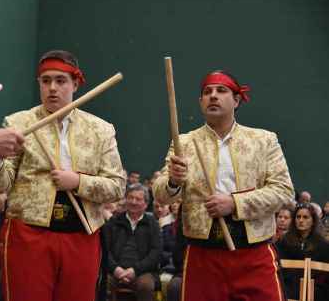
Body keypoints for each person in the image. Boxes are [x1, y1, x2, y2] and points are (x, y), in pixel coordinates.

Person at [0, 50, 125, 301]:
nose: (52, 88)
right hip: (28, 234)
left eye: (60, 81)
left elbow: (116, 187)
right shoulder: (18, 123)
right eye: (45, 81)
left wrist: (78, 181)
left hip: (82, 236)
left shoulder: (101, 129)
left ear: (76, 84)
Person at [153, 70, 295, 301]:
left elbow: (283, 191)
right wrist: (173, 181)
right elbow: (161, 195)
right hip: (202, 255)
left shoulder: (264, 140)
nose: (213, 96)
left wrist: (235, 203)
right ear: (201, 102)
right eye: (207, 92)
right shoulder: (184, 142)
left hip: (254, 253)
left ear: (237, 100)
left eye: (221, 90)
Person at [104, 183, 161, 301]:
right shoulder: (114, 221)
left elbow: (155, 253)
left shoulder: (153, 224)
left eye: (138, 199)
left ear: (146, 204)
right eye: (130, 198)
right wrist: (116, 269)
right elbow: (105, 250)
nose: (133, 202)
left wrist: (134, 270)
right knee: (101, 282)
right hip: (114, 270)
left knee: (145, 285)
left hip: (142, 271)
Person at [276, 203, 329, 301]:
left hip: (316, 294)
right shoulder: (284, 242)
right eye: (298, 217)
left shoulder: (323, 245)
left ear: (313, 221)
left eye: (305, 217)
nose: (301, 220)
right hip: (288, 292)